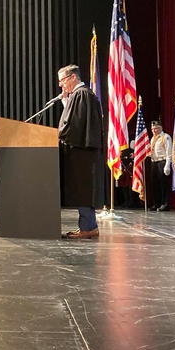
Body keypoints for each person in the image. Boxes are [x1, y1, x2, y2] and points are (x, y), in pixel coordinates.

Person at [57, 64, 104, 239]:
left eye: (62, 80)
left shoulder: (82, 94)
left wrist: (58, 135)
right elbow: (74, 118)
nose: (61, 85)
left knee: (84, 190)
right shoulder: (79, 95)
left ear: (73, 77)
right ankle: (87, 226)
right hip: (82, 153)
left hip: (83, 154)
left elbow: (73, 124)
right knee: (82, 190)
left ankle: (89, 228)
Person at [150, 120, 172, 211]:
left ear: (161, 128)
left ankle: (165, 203)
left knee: (163, 184)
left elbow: (169, 151)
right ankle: (157, 203)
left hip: (162, 162)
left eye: (156, 128)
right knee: (155, 184)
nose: (154, 130)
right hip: (154, 162)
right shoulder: (153, 138)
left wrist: (167, 164)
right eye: (152, 129)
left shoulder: (165, 137)